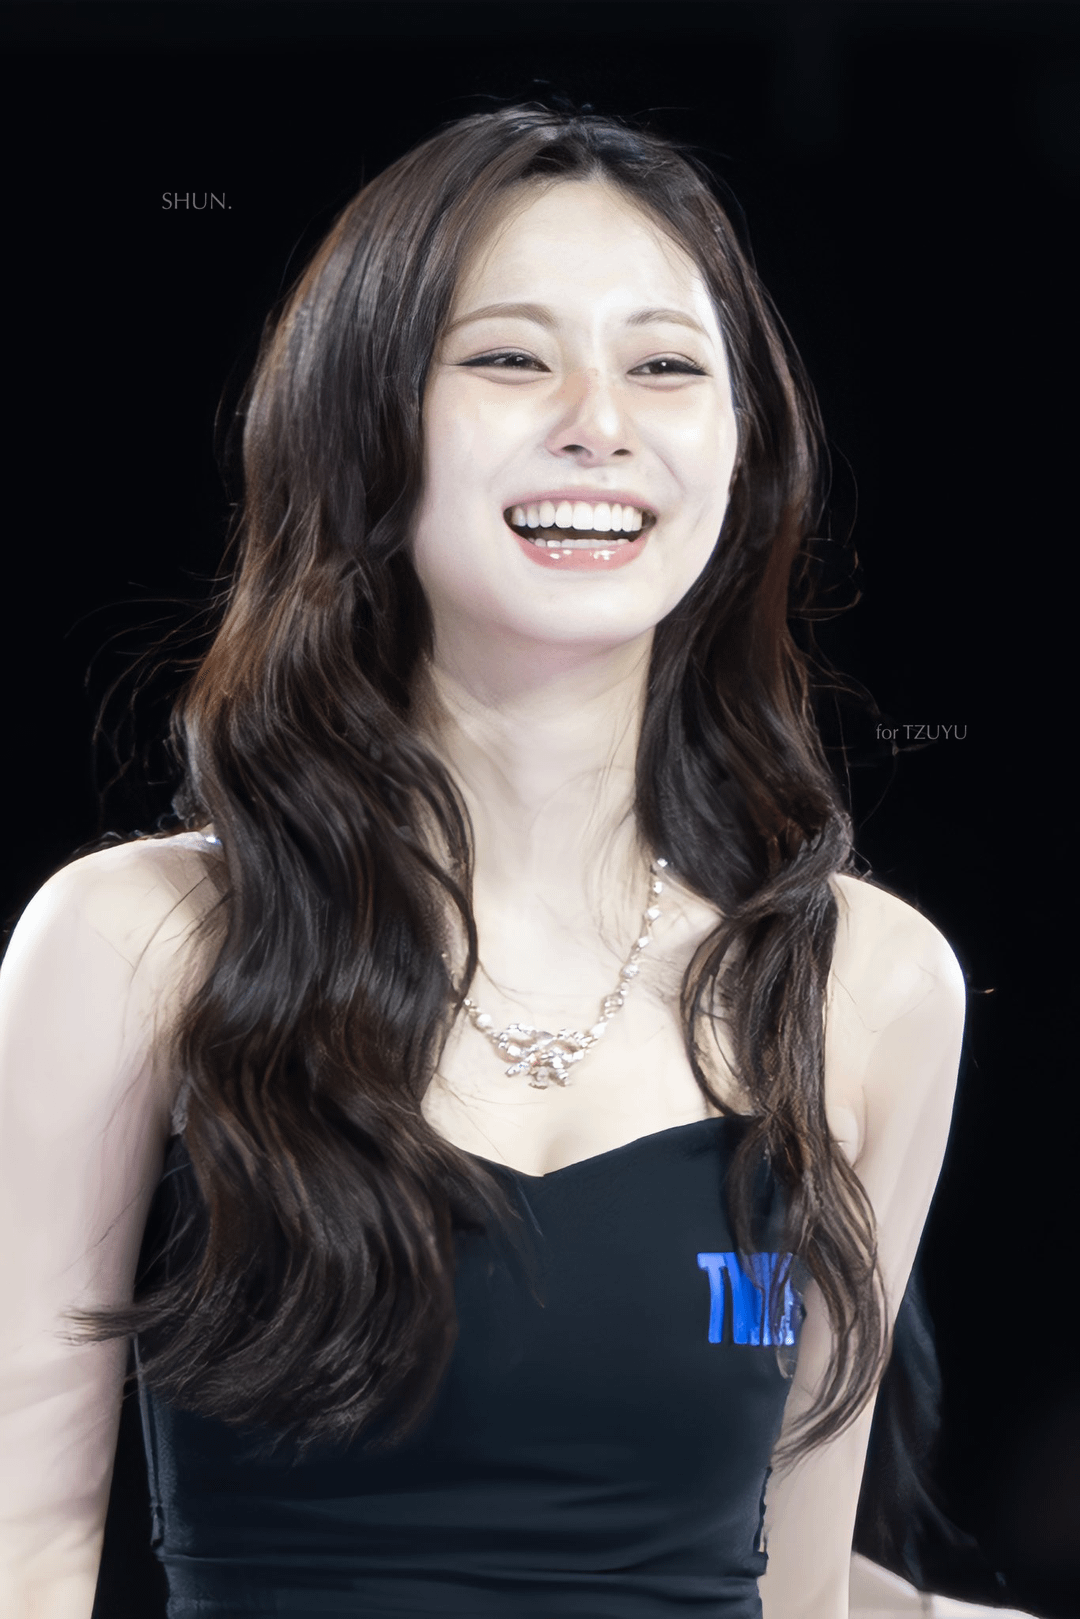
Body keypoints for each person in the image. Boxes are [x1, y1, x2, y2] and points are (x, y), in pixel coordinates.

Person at [0, 106, 966, 1619]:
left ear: (743, 447)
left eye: (666, 367)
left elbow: (793, 1580)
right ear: (363, 417)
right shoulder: (140, 940)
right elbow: (26, 1550)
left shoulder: (868, 983)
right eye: (511, 357)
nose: (600, 422)